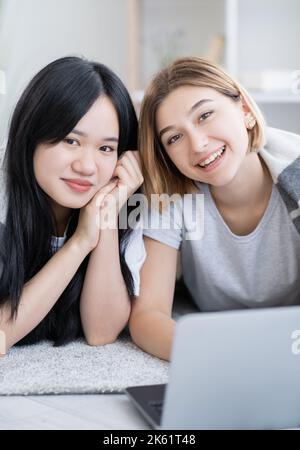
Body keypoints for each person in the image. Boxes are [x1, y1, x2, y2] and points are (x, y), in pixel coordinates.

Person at [129, 56, 300, 361]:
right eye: (174, 137)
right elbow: (146, 317)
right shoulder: (172, 196)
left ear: (245, 110)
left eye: (205, 115)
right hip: (218, 343)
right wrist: (220, 357)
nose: (197, 144)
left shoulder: (293, 170)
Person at [0, 56, 144, 352]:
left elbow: (101, 332)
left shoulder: (127, 203)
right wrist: (79, 243)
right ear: (31, 135)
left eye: (106, 148)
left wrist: (105, 219)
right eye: (71, 141)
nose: (87, 166)